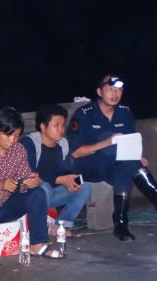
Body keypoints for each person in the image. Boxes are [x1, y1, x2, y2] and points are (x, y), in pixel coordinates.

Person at [0, 106, 64, 271]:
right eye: (8, 135)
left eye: (16, 136)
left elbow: (24, 176)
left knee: (38, 193)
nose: (12, 140)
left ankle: (37, 244)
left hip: (5, 206)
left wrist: (30, 181)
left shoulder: (19, 150)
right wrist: (0, 185)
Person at [67, 74, 157, 241]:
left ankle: (121, 225)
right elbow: (76, 153)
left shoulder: (125, 112)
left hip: (116, 164)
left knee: (124, 169)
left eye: (119, 90)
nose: (115, 94)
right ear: (99, 92)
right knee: (126, 161)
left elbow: (129, 141)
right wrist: (108, 142)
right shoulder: (84, 114)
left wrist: (137, 156)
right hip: (87, 166)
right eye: (110, 89)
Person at [21, 104, 91, 237]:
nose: (61, 129)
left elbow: (65, 170)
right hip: (31, 196)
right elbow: (29, 174)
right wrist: (61, 180)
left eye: (63, 125)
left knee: (84, 186)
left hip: (53, 194)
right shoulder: (29, 143)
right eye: (56, 125)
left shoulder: (63, 144)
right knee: (44, 188)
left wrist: (72, 178)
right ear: (43, 126)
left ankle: (59, 226)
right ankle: (37, 230)